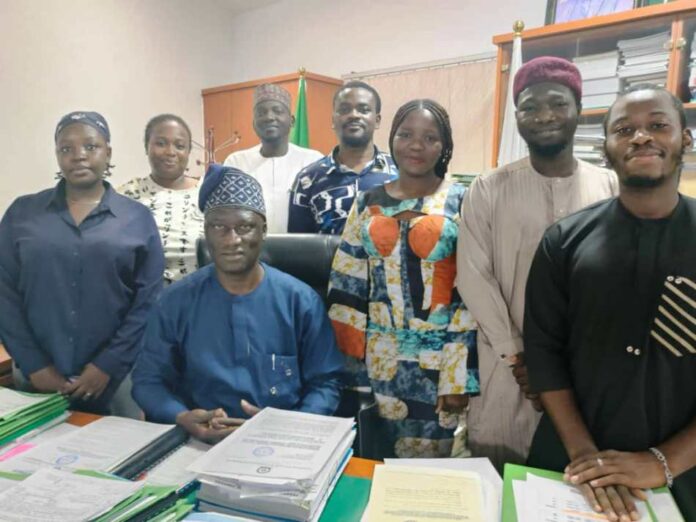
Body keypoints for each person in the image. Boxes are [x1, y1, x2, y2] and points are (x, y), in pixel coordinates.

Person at [525, 85, 696, 520]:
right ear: (606, 150)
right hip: (569, 457)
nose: (641, 137)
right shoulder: (564, 241)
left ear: (686, 139)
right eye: (624, 129)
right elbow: (544, 354)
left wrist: (663, 462)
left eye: (658, 125)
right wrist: (586, 456)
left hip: (684, 470)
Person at [456, 56, 618, 470]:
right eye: (530, 107)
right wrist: (520, 358)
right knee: (497, 468)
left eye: (558, 104)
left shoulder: (611, 186)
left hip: (588, 366)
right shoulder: (490, 187)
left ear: (578, 109)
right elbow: (474, 276)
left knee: (575, 476)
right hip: (509, 367)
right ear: (517, 117)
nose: (544, 116)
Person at [132, 165, 345, 443]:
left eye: (245, 227)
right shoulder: (175, 302)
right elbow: (148, 381)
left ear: (264, 231)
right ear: (206, 232)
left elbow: (326, 383)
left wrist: (291, 426)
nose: (232, 240)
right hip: (197, 443)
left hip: (283, 442)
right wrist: (182, 417)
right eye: (219, 227)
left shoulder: (300, 301)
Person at [328, 99, 479, 458]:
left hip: (440, 366)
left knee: (431, 479)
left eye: (430, 138)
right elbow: (346, 283)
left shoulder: (462, 199)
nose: (416, 145)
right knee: (374, 464)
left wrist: (458, 375)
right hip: (377, 362)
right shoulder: (368, 201)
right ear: (392, 138)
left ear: (444, 146)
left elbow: (471, 293)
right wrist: (350, 371)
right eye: (406, 134)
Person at [0, 111, 164, 415]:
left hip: (116, 380)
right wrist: (35, 365)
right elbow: (4, 295)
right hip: (37, 379)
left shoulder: (137, 219)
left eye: (91, 146)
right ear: (57, 155)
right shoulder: (22, 214)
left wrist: (107, 365)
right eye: (67, 148)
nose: (79, 156)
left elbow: (148, 301)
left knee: (120, 458)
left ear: (108, 152)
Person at [288, 81, 398, 235]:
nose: (353, 115)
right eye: (345, 109)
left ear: (377, 120)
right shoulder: (308, 180)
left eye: (363, 110)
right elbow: (297, 249)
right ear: (333, 120)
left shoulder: (400, 173)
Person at [223, 83, 322, 233]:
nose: (269, 117)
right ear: (253, 123)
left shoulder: (313, 161)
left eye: (277, 111)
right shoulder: (236, 163)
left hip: (301, 251)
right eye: (261, 113)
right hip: (251, 251)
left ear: (292, 120)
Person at [119, 114, 204, 285]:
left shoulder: (208, 193)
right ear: (146, 147)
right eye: (161, 143)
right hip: (143, 300)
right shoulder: (126, 195)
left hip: (199, 298)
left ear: (188, 152)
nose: (170, 152)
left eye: (179, 146)